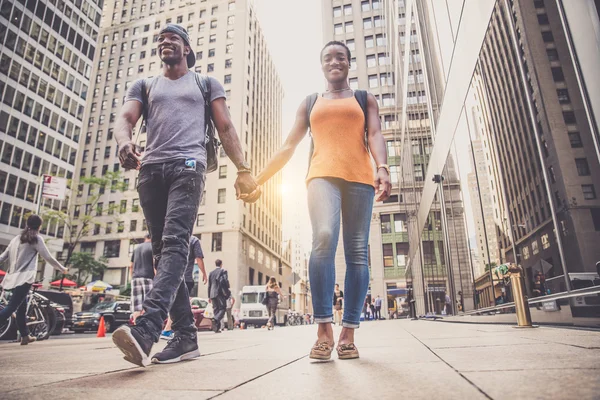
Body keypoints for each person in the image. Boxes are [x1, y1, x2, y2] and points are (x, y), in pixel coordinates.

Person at [112, 24, 258, 367]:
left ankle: (147, 328)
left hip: (188, 168)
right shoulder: (145, 85)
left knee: (177, 244)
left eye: (173, 38)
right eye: (161, 39)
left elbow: (225, 126)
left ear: (187, 48)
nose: (165, 43)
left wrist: (243, 169)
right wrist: (123, 143)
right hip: (150, 171)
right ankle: (185, 337)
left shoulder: (204, 83)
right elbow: (125, 118)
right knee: (165, 255)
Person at [249, 40, 391, 360]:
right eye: (328, 57)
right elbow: (288, 146)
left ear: (348, 63)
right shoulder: (311, 102)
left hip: (359, 179)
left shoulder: (364, 99)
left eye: (341, 56)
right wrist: (259, 179)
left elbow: (375, 135)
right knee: (324, 236)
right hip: (321, 176)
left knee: (357, 252)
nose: (334, 61)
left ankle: (348, 333)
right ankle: (324, 328)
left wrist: (382, 167)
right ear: (322, 65)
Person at [0, 215, 67, 345]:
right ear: (40, 226)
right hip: (25, 278)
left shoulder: (16, 239)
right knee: (12, 306)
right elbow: (48, 257)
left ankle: (25, 336)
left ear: (27, 223)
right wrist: (62, 268)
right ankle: (25, 335)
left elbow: (3, 257)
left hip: (12, 278)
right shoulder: (36, 239)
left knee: (21, 307)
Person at [160, 235, 207, 339]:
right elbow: (199, 257)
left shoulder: (173, 236)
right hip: (186, 277)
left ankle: (176, 329)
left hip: (172, 276)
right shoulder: (194, 240)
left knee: (177, 302)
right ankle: (168, 330)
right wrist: (204, 273)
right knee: (180, 303)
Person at [130, 234, 154, 324]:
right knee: (150, 304)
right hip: (149, 277)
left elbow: (131, 266)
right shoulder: (153, 247)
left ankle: (136, 327)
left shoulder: (136, 248)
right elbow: (155, 263)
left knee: (137, 306)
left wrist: (131, 278)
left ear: (145, 238)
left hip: (135, 278)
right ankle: (148, 326)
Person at [208, 259, 230, 333]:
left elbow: (209, 285)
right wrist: (227, 291)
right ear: (221, 264)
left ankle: (216, 329)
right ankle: (216, 318)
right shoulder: (223, 271)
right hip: (220, 292)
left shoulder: (211, 273)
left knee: (216, 309)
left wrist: (209, 296)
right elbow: (225, 281)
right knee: (222, 309)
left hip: (212, 293)